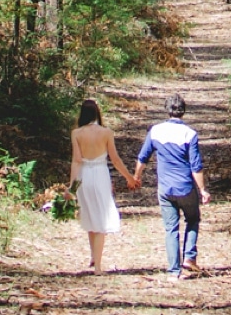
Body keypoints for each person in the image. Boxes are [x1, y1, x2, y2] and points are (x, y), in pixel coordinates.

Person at [134, 92, 210, 279]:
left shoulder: (156, 131)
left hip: (165, 188)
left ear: (167, 110)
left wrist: (136, 177)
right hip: (185, 187)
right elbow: (196, 166)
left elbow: (143, 158)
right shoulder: (189, 134)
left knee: (171, 228)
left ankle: (173, 271)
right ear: (183, 111)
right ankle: (189, 257)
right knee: (192, 219)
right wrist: (202, 189)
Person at [67, 98, 138, 274]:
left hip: (84, 175)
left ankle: (93, 257)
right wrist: (129, 177)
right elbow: (115, 159)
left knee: (90, 214)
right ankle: (98, 266)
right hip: (100, 174)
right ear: (98, 113)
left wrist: (71, 187)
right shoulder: (106, 132)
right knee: (100, 219)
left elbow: (76, 161)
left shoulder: (76, 133)